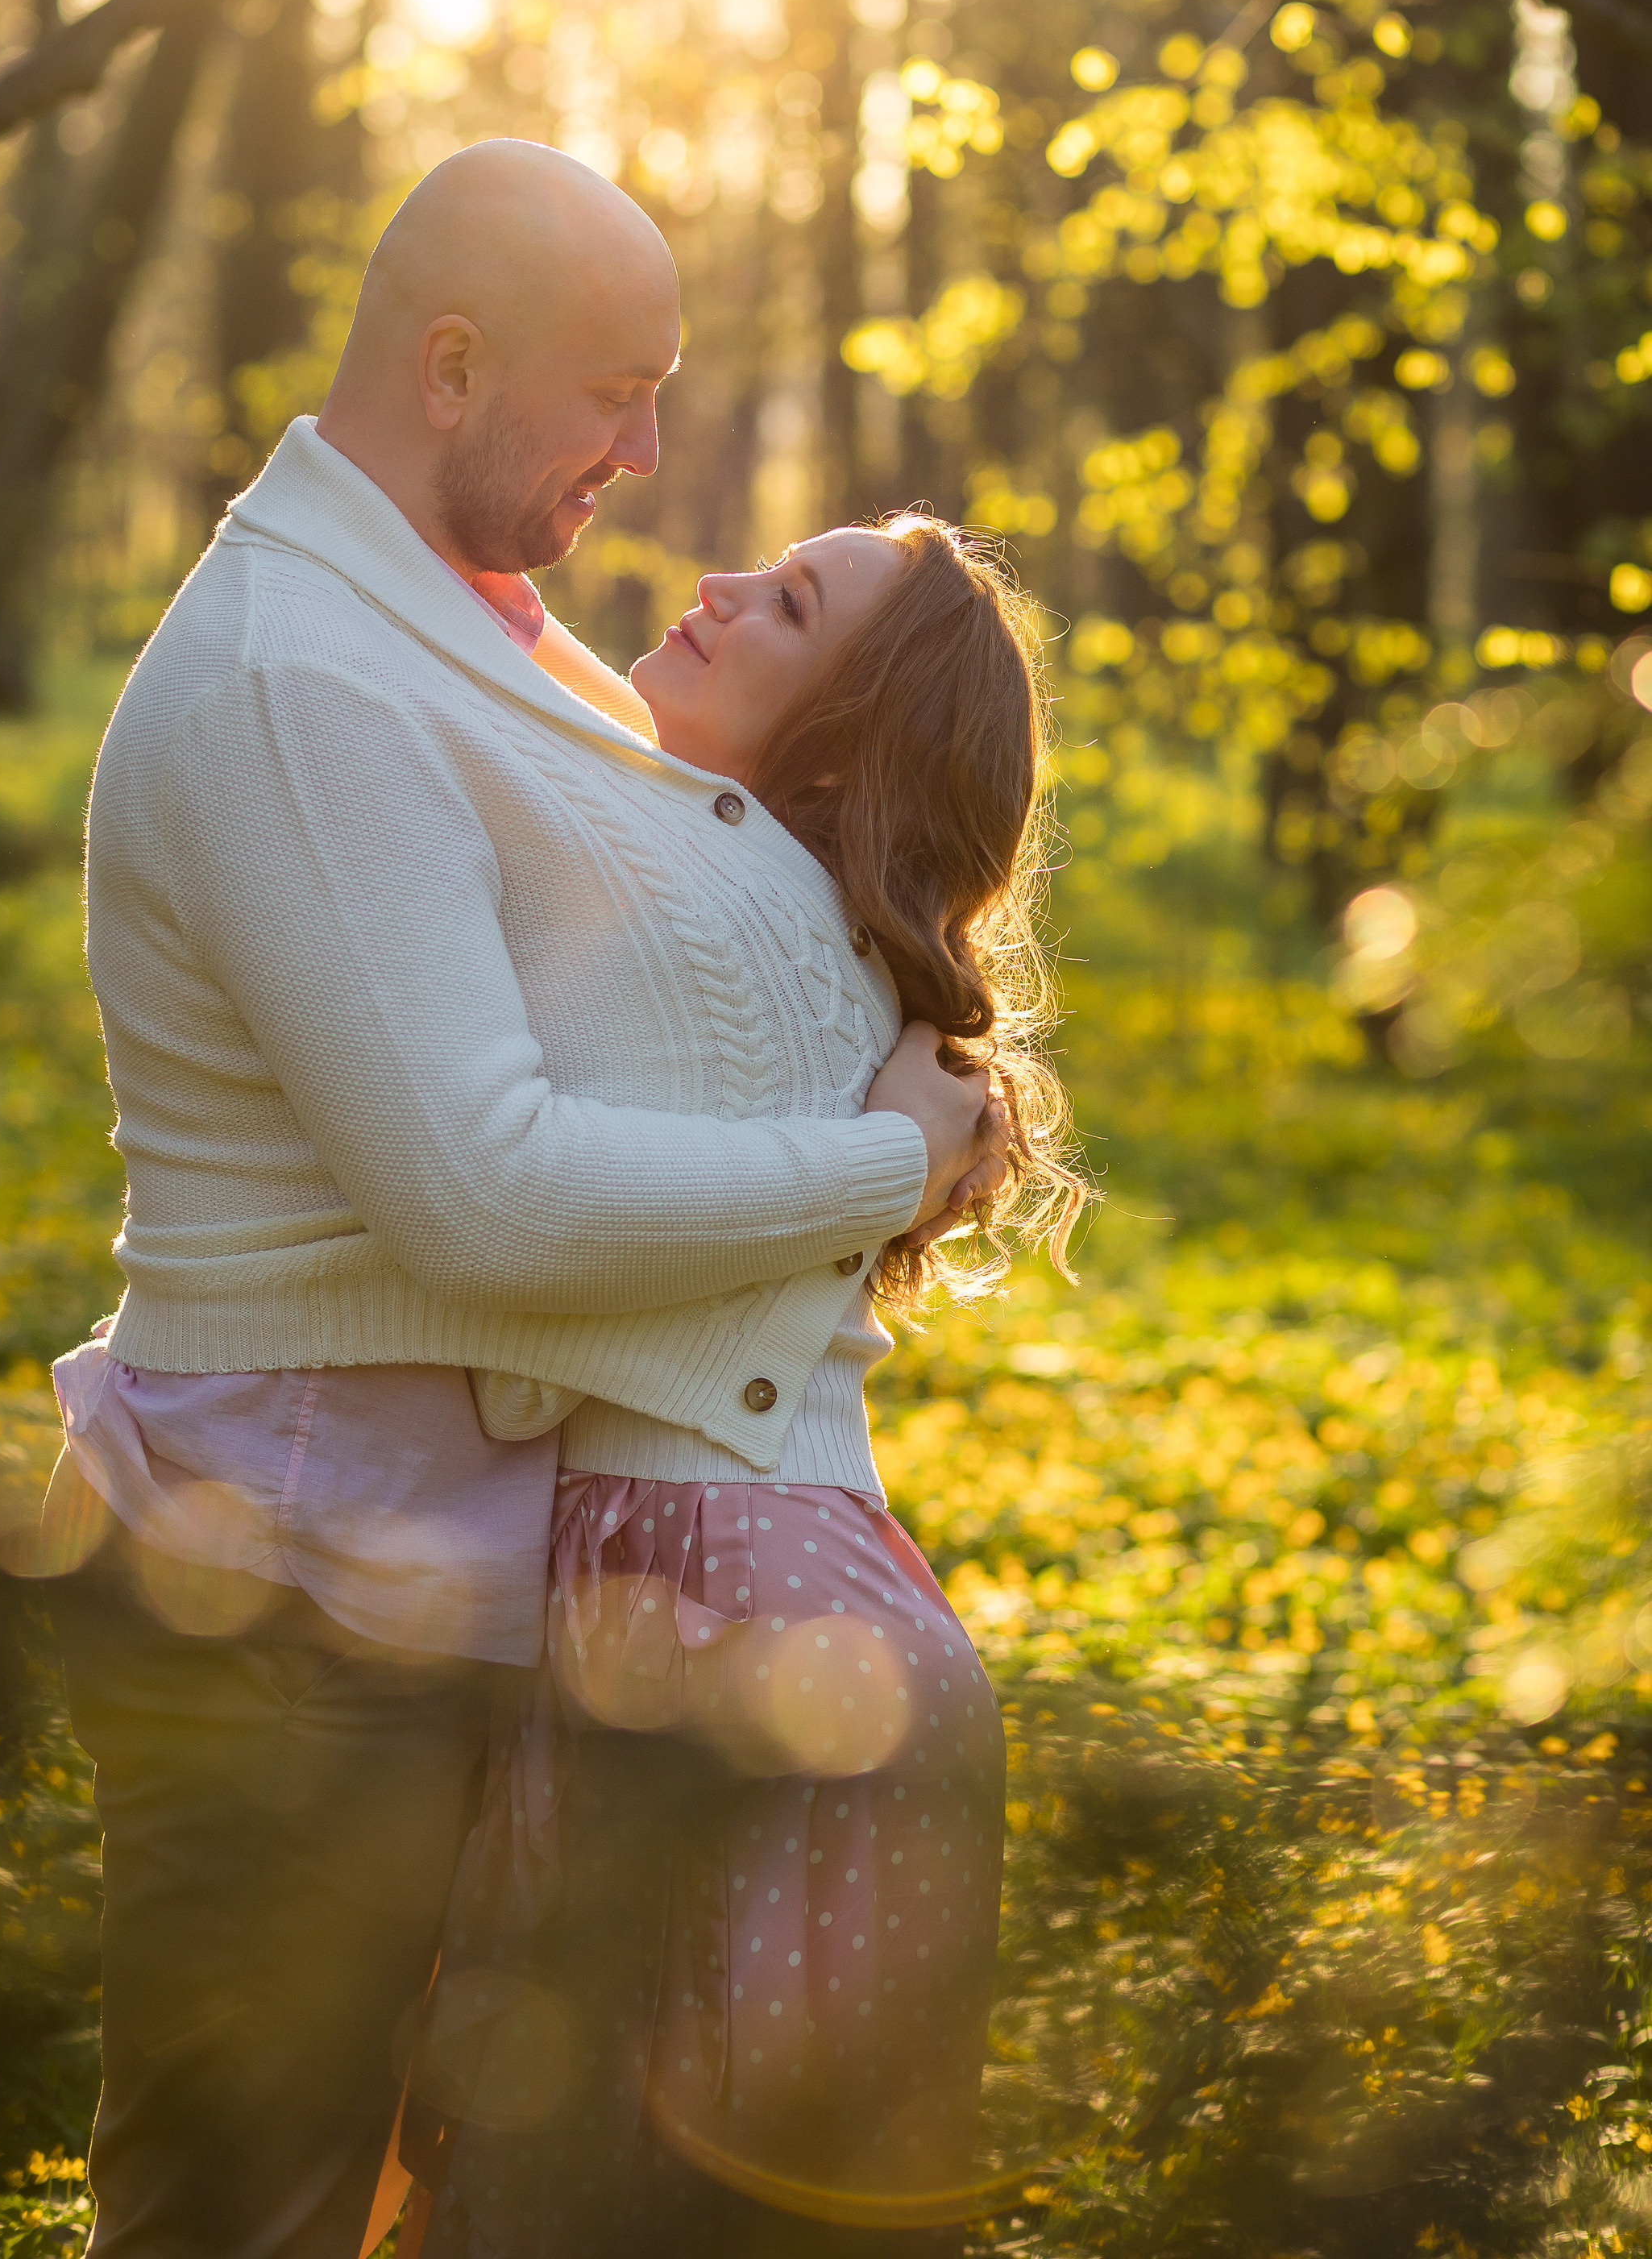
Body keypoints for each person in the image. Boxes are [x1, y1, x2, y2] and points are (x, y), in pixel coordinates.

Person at [44, 139, 1003, 2259]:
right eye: (612, 392)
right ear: (453, 368)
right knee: (247, 2212)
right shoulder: (307, 679)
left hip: (471, 1595)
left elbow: (741, 855)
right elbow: (480, 1194)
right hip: (288, 1599)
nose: (651, 453)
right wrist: (883, 1166)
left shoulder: (467, 629)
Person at [395, 517, 1082, 2259]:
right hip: (792, 1589)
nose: (711, 586)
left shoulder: (705, 916)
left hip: (730, 1606)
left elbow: (519, 1217)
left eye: (786, 607)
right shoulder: (798, 928)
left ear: (843, 743)